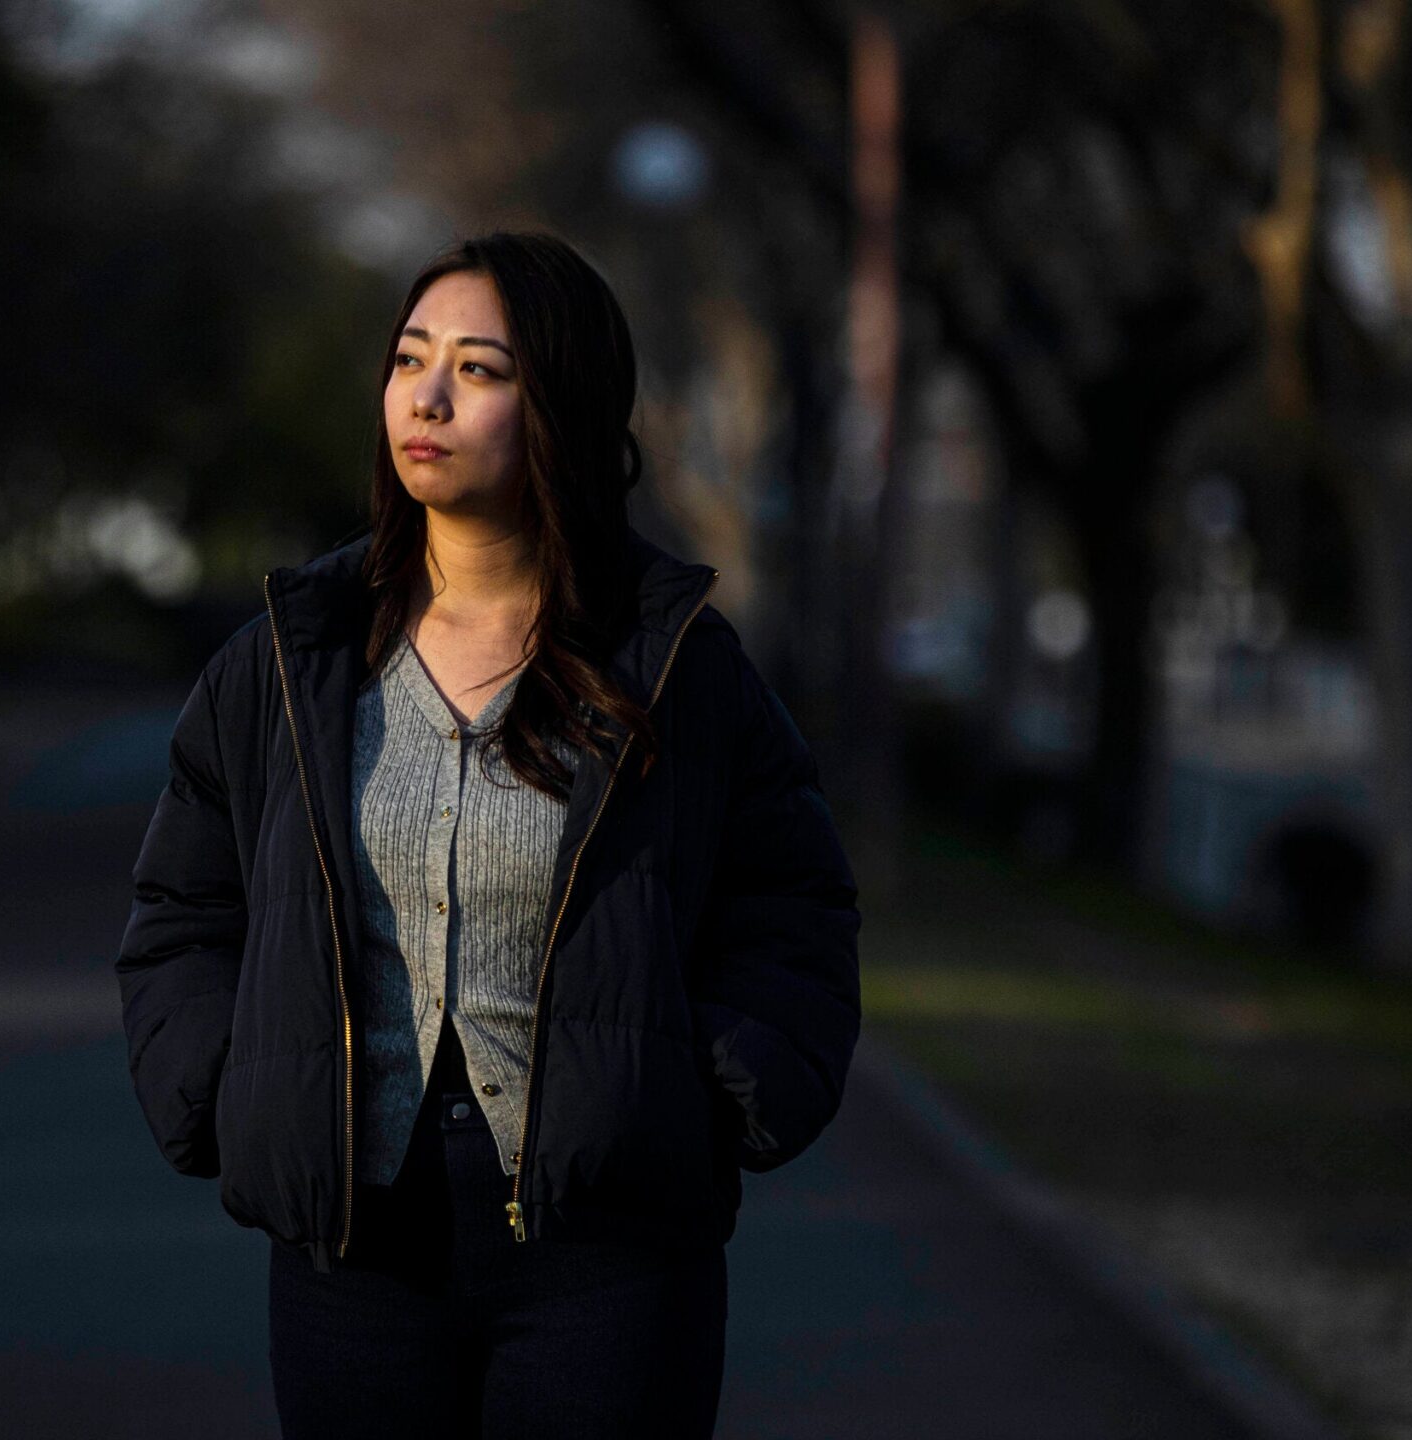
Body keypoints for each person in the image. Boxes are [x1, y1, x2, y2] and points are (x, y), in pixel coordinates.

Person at [116, 231, 861, 1438]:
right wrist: (222, 1091)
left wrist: (707, 1097)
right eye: (410, 359)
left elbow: (794, 904)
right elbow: (182, 911)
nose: (427, 398)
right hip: (351, 1256)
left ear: (561, 405)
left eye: (479, 369)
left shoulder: (673, 662)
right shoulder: (289, 660)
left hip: (610, 1260)